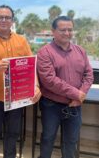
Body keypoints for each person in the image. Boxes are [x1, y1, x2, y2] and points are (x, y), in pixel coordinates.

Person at [0, 5, 42, 158]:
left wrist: (36, 86)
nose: (4, 20)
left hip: (16, 98)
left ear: (12, 21)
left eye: (7, 17)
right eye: (0, 17)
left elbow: (30, 66)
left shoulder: (22, 40)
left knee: (12, 135)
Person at [37, 16, 94, 158]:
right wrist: (76, 93)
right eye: (63, 30)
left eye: (70, 29)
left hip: (75, 105)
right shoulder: (45, 52)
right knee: (48, 139)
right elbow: (49, 80)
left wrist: (81, 94)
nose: (67, 33)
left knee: (71, 141)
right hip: (51, 106)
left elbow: (89, 74)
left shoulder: (80, 51)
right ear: (53, 31)